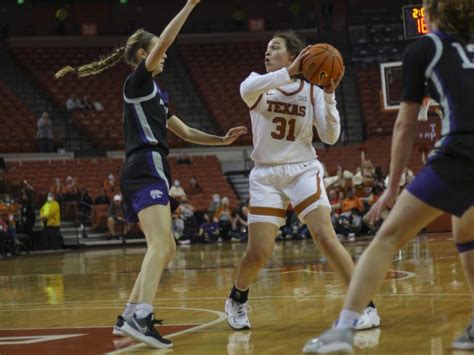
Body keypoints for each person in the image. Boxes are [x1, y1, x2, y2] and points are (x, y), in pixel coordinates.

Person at [55, 0, 247, 349]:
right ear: (146, 52)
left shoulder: (157, 93)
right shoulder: (137, 82)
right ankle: (142, 316)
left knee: (165, 248)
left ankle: (129, 314)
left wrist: (219, 139)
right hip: (145, 165)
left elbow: (184, 131)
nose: (166, 55)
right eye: (158, 48)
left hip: (149, 167)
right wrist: (190, 5)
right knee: (163, 244)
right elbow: (167, 43)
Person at [303, 1, 474, 352]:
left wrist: (392, 187)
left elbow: (405, 123)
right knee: (465, 228)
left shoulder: (425, 48)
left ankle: (344, 330)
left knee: (388, 237)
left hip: (460, 154)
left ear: (431, 14)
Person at [224, 31, 379, 332]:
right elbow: (245, 89)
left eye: (275, 48)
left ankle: (364, 307)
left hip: (302, 169)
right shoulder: (259, 85)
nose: (267, 53)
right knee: (259, 252)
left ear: (294, 55)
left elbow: (331, 137)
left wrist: (331, 96)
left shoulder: (313, 93)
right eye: (267, 49)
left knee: (325, 236)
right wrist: (289, 72)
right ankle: (237, 298)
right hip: (266, 174)